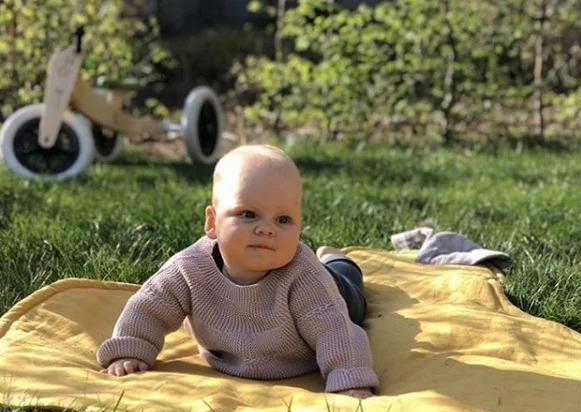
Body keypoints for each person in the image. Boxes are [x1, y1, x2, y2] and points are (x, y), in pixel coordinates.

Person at [97, 144, 378, 398]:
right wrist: (130, 349)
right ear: (212, 222)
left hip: (335, 296)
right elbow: (150, 307)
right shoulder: (188, 269)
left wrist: (349, 379)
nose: (267, 228)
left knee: (351, 292)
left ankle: (337, 260)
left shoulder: (306, 278)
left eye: (283, 219)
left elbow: (335, 330)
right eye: (248, 214)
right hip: (231, 353)